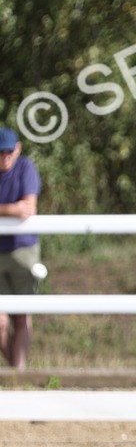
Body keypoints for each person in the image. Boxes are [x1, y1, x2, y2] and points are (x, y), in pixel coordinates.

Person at [0, 127, 44, 371]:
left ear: (17, 149)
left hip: (23, 251)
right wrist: (11, 209)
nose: (4, 156)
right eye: (0, 152)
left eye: (8, 151)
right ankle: (16, 374)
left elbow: (28, 207)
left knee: (22, 316)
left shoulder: (26, 167)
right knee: (0, 323)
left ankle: (17, 374)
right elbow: (19, 209)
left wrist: (14, 208)